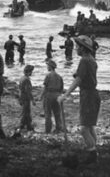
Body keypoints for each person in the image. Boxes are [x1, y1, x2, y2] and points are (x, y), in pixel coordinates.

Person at [59, 35, 101, 164]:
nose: (76, 48)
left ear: (83, 48)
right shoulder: (91, 59)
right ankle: (94, 151)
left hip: (88, 95)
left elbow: (79, 79)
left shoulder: (84, 60)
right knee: (89, 126)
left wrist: (65, 95)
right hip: (93, 94)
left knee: (83, 128)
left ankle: (92, 152)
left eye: (78, 46)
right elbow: (83, 76)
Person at [41, 59, 64, 134]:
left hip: (49, 95)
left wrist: (41, 96)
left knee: (48, 113)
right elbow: (61, 89)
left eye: (47, 65)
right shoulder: (59, 76)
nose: (47, 67)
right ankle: (58, 128)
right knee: (57, 113)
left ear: (50, 67)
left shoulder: (48, 75)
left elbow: (45, 87)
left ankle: (48, 130)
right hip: (57, 95)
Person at [18, 65, 35, 131]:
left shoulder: (22, 78)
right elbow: (28, 91)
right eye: (31, 71)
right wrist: (33, 100)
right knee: (26, 111)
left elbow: (19, 89)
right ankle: (25, 125)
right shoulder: (27, 80)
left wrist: (19, 98)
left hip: (22, 96)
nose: (31, 73)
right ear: (29, 72)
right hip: (26, 97)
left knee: (25, 111)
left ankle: (27, 125)